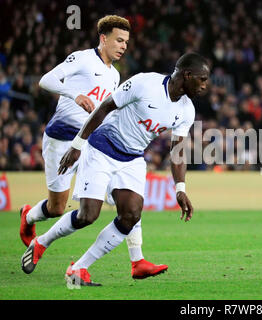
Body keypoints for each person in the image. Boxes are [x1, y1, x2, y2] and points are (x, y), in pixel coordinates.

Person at [21, 52, 210, 286]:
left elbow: (177, 150)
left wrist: (180, 189)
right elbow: (104, 107)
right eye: (202, 79)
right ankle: (41, 242)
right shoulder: (145, 83)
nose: (205, 86)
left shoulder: (186, 110)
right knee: (87, 216)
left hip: (131, 159)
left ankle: (79, 268)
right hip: (101, 147)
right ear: (187, 75)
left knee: (131, 215)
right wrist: (78, 145)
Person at [19, 15, 159, 279]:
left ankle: (137, 259)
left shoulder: (115, 76)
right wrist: (74, 94)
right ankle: (28, 216)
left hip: (92, 145)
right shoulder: (82, 59)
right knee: (57, 207)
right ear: (103, 38)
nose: (123, 46)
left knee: (128, 198)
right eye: (119, 40)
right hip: (62, 139)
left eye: (127, 42)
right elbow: (45, 80)